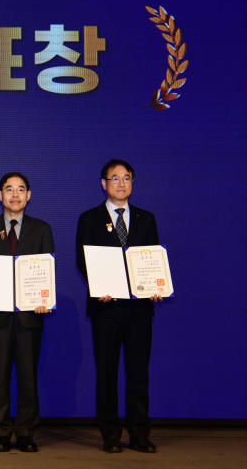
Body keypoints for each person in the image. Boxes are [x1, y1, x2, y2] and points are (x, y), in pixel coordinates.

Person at [76, 159, 163, 454]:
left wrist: (155, 285)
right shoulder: (89, 219)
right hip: (106, 308)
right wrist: (98, 286)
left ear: (132, 183)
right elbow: (83, 260)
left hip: (139, 309)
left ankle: (140, 434)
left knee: (139, 374)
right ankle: (110, 434)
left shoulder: (146, 218)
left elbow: (152, 257)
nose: (121, 183)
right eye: (115, 178)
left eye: (126, 178)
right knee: (107, 374)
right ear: (104, 184)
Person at [0, 172, 55, 453]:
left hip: (30, 316)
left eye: (21, 189)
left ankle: (25, 432)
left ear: (28, 195)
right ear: (0, 195)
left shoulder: (41, 229)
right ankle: (1, 431)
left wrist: (44, 298)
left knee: (28, 376)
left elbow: (48, 269)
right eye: (9, 189)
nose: (15, 194)